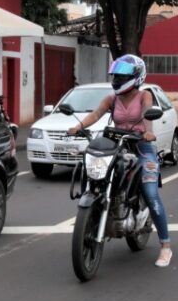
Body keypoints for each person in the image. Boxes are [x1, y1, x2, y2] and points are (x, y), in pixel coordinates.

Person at [66, 55, 172, 267]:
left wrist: (148, 133)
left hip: (141, 146)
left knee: (150, 193)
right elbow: (96, 114)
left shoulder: (144, 96)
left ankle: (166, 247)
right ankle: (93, 215)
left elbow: (147, 116)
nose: (116, 79)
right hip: (116, 145)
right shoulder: (111, 99)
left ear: (135, 77)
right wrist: (78, 127)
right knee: (94, 172)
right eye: (115, 75)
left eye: (121, 76)